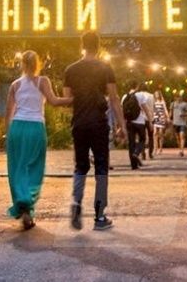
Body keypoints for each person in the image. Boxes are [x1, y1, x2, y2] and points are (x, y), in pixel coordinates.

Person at [63, 31, 126, 231]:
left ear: (82, 45)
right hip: (99, 123)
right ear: (98, 46)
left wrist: (81, 102)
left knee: (80, 166)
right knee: (101, 167)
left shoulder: (70, 70)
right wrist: (122, 125)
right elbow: (114, 98)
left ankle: (76, 204)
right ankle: (99, 217)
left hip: (79, 124)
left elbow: (67, 100)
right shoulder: (105, 68)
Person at [5, 50, 72, 230]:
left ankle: (22, 204)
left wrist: (9, 134)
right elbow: (54, 101)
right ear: (37, 64)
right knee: (34, 167)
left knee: (17, 168)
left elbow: (8, 113)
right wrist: (74, 99)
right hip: (35, 128)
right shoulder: (43, 81)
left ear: (22, 64)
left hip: (17, 128)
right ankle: (27, 204)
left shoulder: (15, 85)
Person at [122, 80, 154, 169]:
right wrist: (150, 121)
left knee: (131, 143)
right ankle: (136, 153)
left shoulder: (124, 97)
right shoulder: (140, 95)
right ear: (136, 86)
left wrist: (122, 125)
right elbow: (146, 110)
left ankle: (133, 165)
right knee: (142, 139)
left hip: (129, 122)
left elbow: (122, 112)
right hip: (140, 122)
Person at [137, 83, 155, 159]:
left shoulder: (138, 95)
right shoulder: (151, 96)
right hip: (150, 118)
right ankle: (150, 153)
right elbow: (153, 107)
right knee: (151, 136)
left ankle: (143, 153)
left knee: (141, 137)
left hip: (141, 118)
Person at [152, 90, 170, 155]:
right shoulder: (154, 102)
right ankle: (155, 148)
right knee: (155, 133)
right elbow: (152, 110)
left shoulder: (162, 102)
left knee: (160, 133)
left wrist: (167, 117)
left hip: (161, 118)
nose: (157, 95)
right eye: (155, 94)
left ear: (159, 95)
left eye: (158, 94)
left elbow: (165, 110)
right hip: (155, 118)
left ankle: (160, 148)